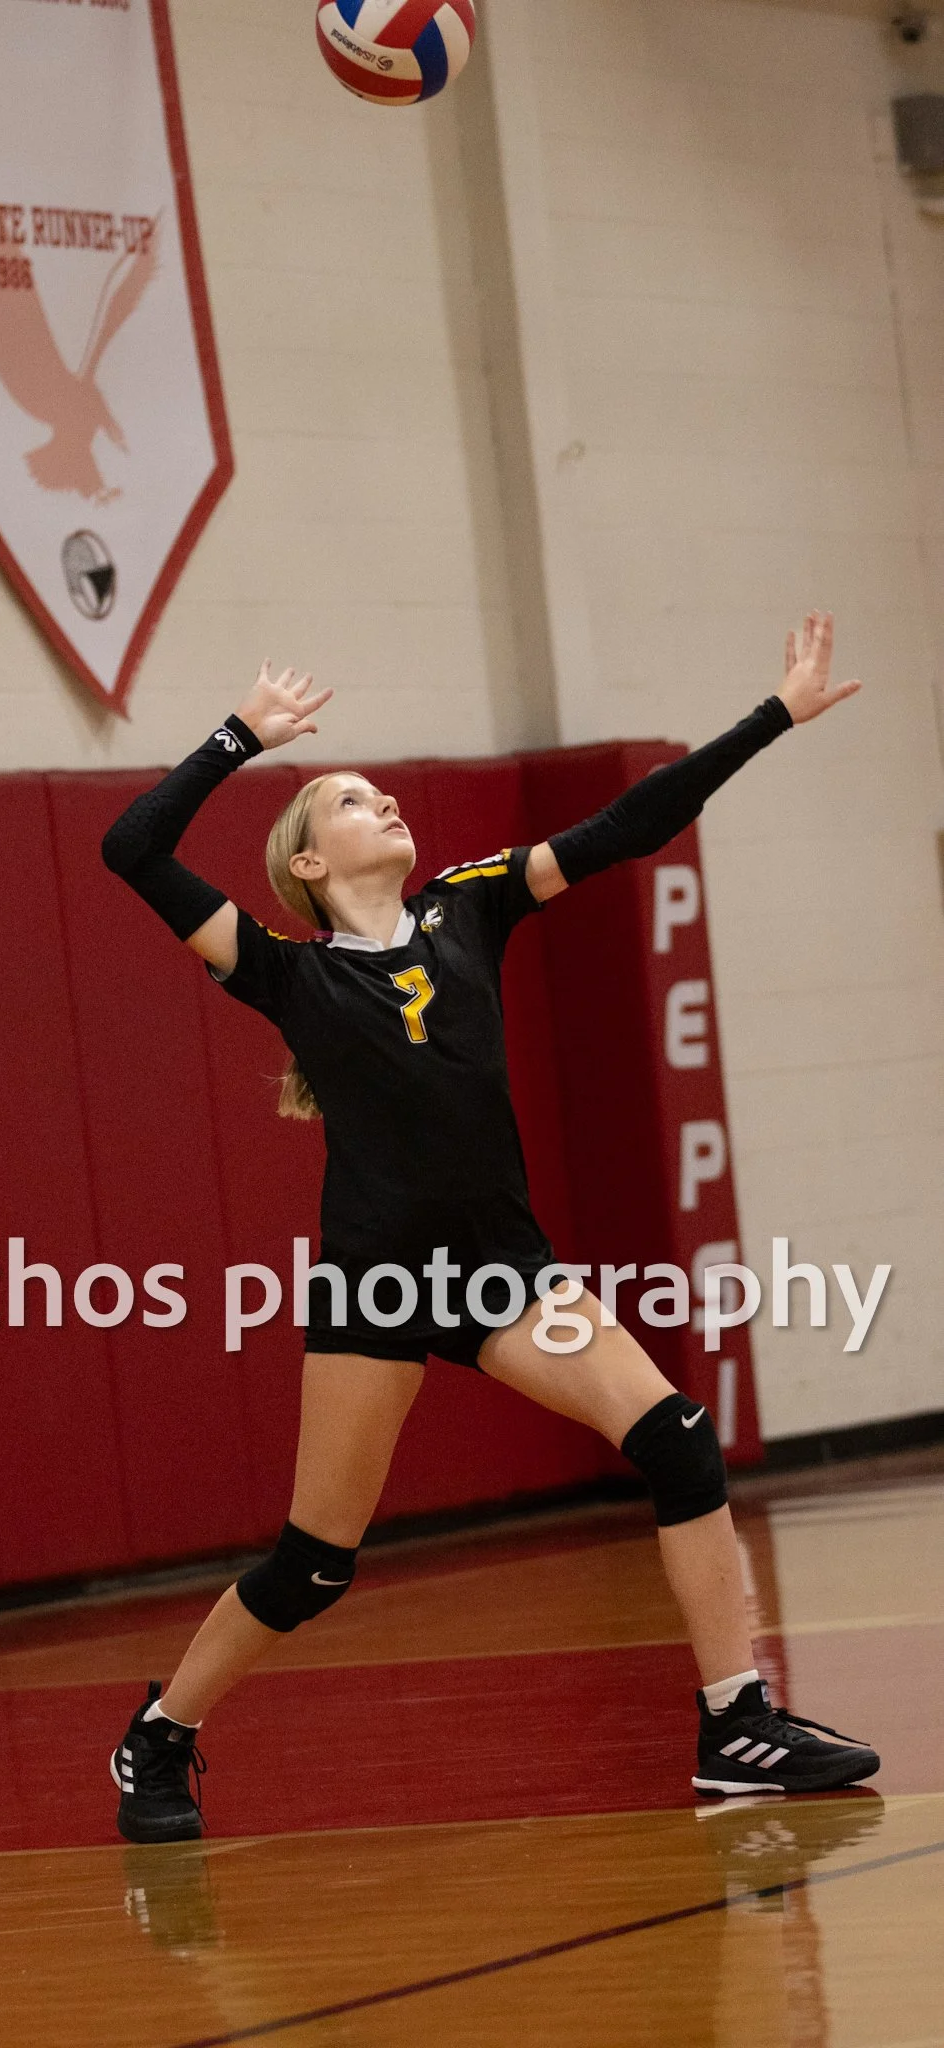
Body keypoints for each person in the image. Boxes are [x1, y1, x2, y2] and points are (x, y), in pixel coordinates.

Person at [101, 612, 880, 1843]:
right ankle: (159, 1733)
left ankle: (736, 1725)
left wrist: (773, 715)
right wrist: (239, 735)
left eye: (382, 792)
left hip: (503, 1272)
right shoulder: (284, 970)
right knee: (315, 1562)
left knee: (679, 1441)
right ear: (309, 863)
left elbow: (631, 824)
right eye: (349, 800)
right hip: (376, 1284)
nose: (383, 802)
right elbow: (132, 847)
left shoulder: (471, 904)